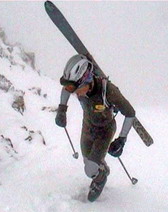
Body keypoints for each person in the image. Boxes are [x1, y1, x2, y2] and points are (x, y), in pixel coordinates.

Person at [55, 54, 135, 202]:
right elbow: (66, 89)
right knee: (87, 160)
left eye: (77, 89)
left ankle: (100, 177)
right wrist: (62, 109)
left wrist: (121, 140)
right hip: (88, 126)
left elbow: (130, 113)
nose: (75, 93)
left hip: (105, 130)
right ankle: (99, 165)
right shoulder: (77, 85)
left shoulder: (108, 91)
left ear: (87, 80)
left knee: (90, 169)